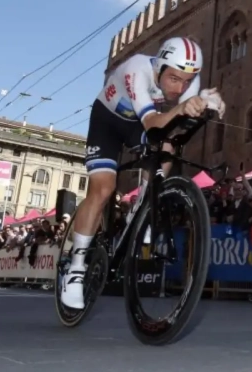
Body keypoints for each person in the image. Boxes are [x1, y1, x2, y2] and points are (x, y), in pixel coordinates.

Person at [60, 36, 225, 309]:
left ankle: (144, 207)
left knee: (168, 145)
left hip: (135, 123)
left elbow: (179, 124)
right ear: (159, 67)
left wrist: (205, 105)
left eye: (187, 81)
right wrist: (185, 106)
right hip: (108, 122)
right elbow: (152, 123)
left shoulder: (187, 81)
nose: (180, 87)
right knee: (103, 188)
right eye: (173, 78)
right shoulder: (136, 70)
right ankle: (75, 269)